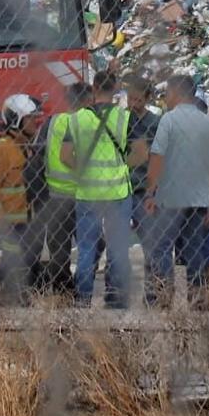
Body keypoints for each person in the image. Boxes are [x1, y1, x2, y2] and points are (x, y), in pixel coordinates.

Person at [144, 73, 209, 309]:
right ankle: (197, 298)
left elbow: (157, 159)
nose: (166, 98)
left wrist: (150, 193)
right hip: (199, 199)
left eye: (167, 93)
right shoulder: (207, 122)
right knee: (194, 250)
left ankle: (163, 297)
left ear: (177, 93)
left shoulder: (168, 121)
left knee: (162, 248)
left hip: (171, 199)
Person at [63, 70, 133, 309]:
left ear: (93, 89)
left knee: (86, 248)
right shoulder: (124, 117)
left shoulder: (77, 118)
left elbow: (65, 155)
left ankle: (83, 300)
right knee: (117, 248)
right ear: (114, 89)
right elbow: (135, 152)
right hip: (118, 192)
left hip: (88, 192)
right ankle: (116, 298)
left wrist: (81, 170)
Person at [26, 83, 85, 297]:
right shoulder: (88, 123)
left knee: (59, 249)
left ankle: (63, 291)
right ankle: (78, 284)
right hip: (83, 195)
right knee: (92, 244)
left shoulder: (51, 122)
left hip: (55, 196)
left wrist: (38, 193)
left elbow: (37, 157)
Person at [0, 94, 41, 304]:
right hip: (10, 220)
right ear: (16, 120)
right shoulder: (1, 148)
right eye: (30, 118)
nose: (35, 122)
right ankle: (3, 293)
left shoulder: (27, 146)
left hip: (28, 217)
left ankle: (22, 296)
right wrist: (0, 219)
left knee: (29, 259)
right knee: (11, 259)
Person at [122, 73, 161, 239]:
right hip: (122, 184)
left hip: (144, 185)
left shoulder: (155, 122)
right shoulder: (121, 119)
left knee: (147, 230)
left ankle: (150, 262)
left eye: (138, 100)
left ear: (147, 99)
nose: (133, 104)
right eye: (131, 99)